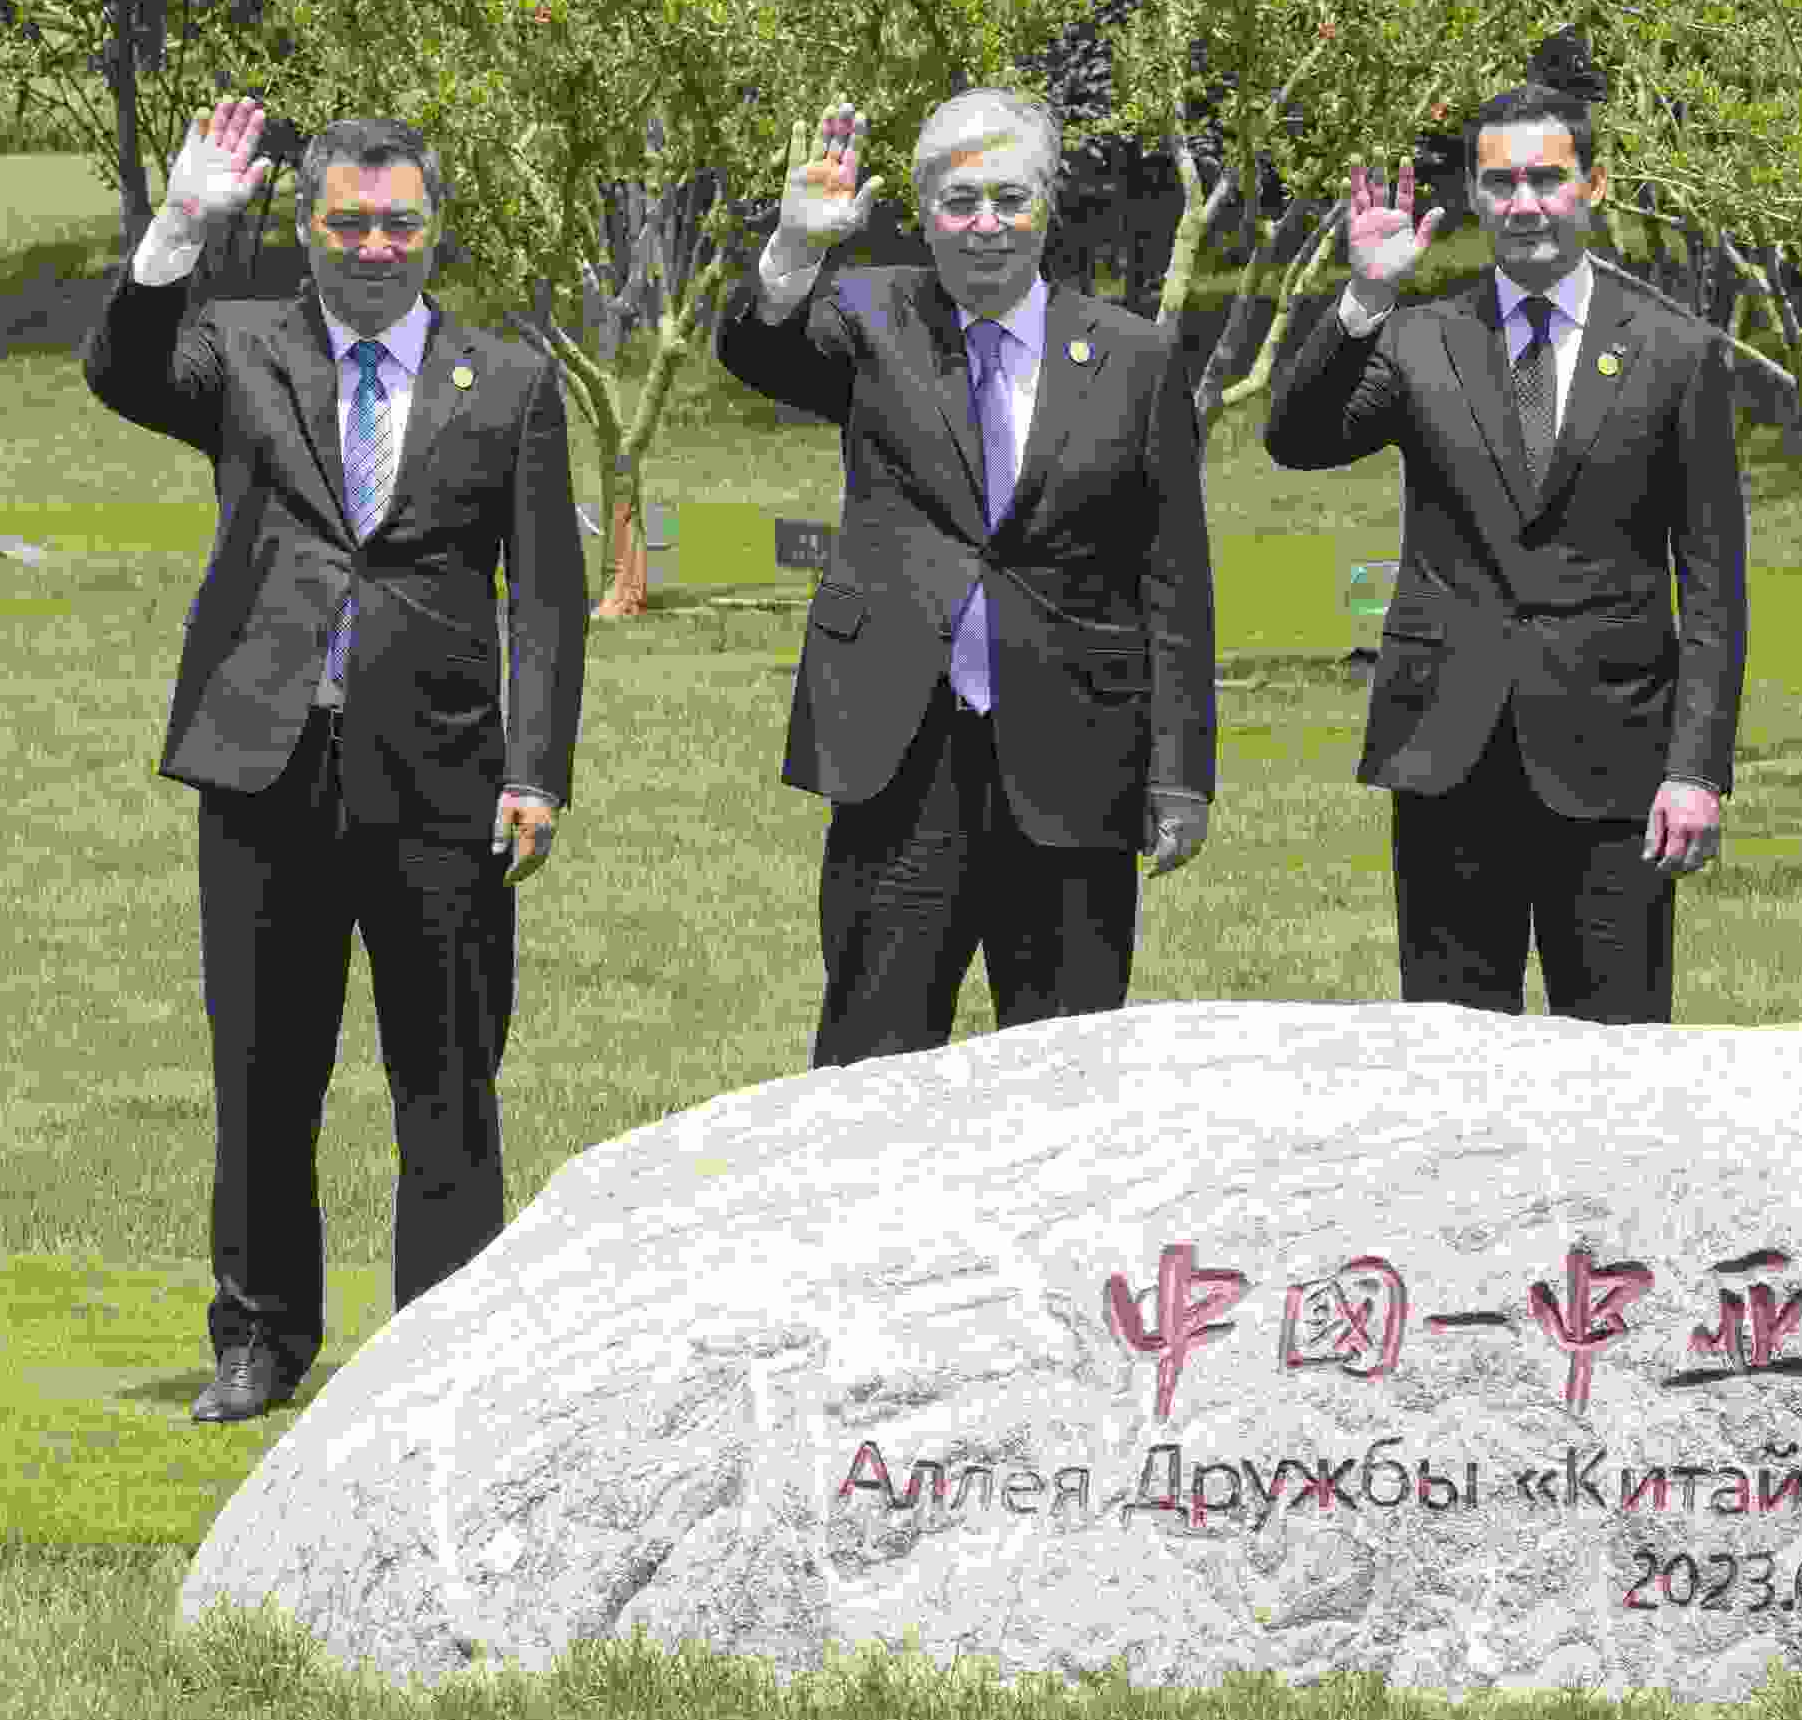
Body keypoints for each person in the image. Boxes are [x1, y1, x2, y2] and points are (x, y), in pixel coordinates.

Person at [80, 95, 588, 1423]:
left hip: (445, 783)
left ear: (436, 228)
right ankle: (259, 1335)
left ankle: (442, 1349)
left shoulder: (510, 383)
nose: (375, 247)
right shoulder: (244, 349)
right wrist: (180, 224)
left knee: (448, 1078)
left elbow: (545, 599)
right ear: (307, 226)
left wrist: (537, 770)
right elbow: (124, 370)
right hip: (264, 770)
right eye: (349, 222)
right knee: (263, 1074)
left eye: (399, 223)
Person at [714, 91, 1218, 1065]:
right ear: (923, 212)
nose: (987, 224)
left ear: (1048, 205)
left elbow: (1173, 578)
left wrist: (1179, 772)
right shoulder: (871, 317)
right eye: (960, 201)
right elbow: (757, 350)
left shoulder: (1136, 359)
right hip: (902, 757)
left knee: (1066, 1069)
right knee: (871, 1061)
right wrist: (795, 247)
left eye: (1010, 198)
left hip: (1075, 762)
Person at [1262, 84, 1744, 1020]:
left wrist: (1695, 770)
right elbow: (1297, 439)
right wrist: (1365, 296)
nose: (1524, 204)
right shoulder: (1419, 338)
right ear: (1474, 197)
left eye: (1546, 179)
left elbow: (1714, 589)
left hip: (1614, 767)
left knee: (1616, 1061)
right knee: (1449, 1061)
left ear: (1594, 184)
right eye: (1500, 183)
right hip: (1448, 755)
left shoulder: (1677, 353)